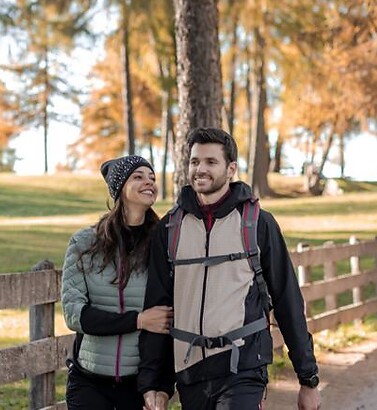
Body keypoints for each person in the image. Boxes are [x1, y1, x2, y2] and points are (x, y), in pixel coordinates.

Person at [138, 128, 321, 410]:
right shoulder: (170, 229)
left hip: (243, 366)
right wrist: (156, 384)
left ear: (231, 169)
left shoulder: (258, 224)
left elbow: (288, 301)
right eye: (195, 161)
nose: (200, 169)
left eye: (211, 162)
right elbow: (159, 309)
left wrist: (308, 378)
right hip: (190, 371)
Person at [61, 155, 174, 409]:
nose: (149, 182)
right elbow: (75, 315)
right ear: (120, 187)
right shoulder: (84, 243)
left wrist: (163, 386)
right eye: (138, 177)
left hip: (137, 385)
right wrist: (139, 320)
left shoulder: (163, 244)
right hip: (88, 381)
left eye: (152, 177)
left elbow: (167, 320)